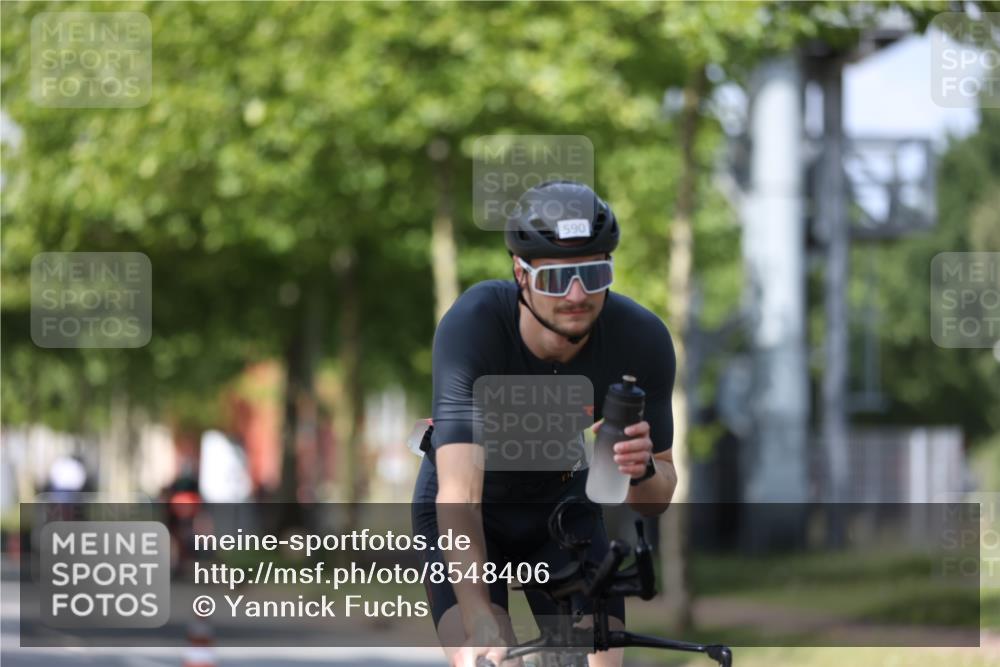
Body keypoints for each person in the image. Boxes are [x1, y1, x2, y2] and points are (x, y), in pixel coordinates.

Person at [411, 181, 678, 667]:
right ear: (521, 274)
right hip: (473, 506)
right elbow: (459, 496)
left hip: (561, 505)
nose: (577, 295)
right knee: (489, 657)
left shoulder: (641, 340)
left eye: (593, 275)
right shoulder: (475, 325)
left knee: (599, 659)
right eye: (557, 281)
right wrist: (479, 616)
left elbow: (656, 497)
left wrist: (639, 471)